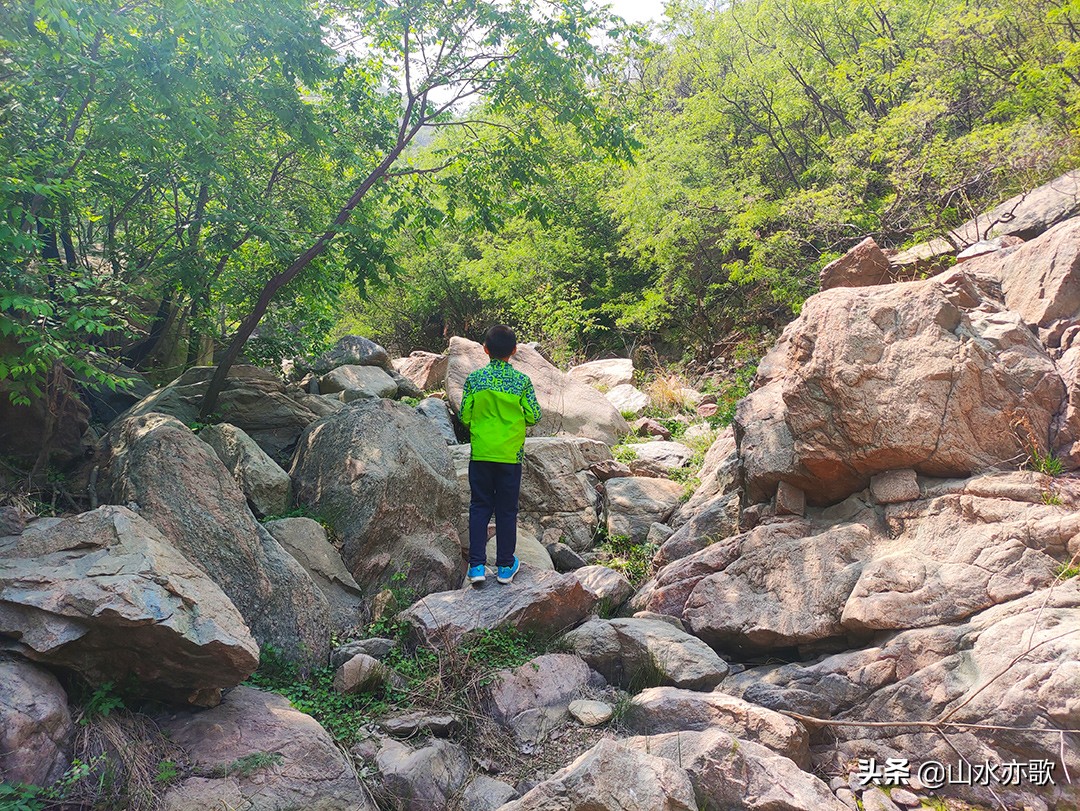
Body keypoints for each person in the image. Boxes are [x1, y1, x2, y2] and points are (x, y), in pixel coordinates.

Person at [459, 325, 541, 585]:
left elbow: (465, 415)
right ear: (514, 351)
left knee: (479, 507)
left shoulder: (474, 380)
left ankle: (476, 566)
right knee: (506, 510)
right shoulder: (522, 382)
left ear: (485, 349)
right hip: (509, 457)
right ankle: (506, 566)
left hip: (481, 453)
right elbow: (534, 415)